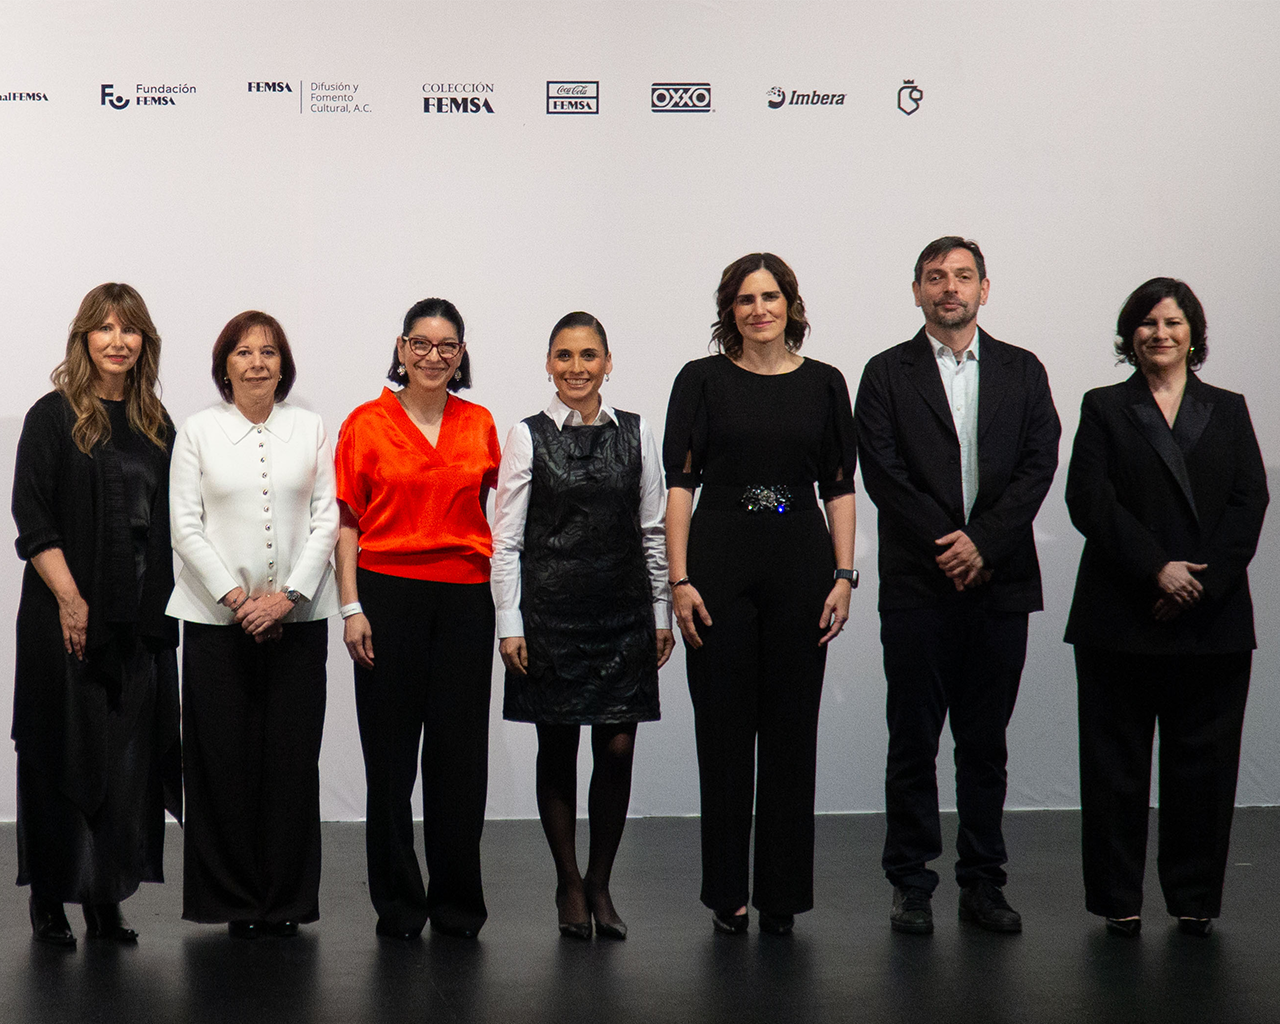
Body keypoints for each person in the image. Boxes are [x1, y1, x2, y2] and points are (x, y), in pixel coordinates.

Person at [854, 236, 1060, 935]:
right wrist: (951, 544)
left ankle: (983, 882)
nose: (950, 288)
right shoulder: (886, 373)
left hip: (1000, 584)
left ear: (984, 289)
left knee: (984, 743)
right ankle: (911, 883)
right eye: (936, 277)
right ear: (917, 290)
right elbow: (883, 473)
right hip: (919, 583)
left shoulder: (1023, 370)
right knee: (912, 741)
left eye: (963, 276)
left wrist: (985, 542)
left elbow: (1038, 465)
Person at [1064, 278, 1267, 939]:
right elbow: (1088, 500)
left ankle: (1194, 898)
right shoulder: (1104, 407)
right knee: (1114, 769)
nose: (1160, 333)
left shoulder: (1228, 409)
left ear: (1193, 334)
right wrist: (1157, 568)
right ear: (1130, 335)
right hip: (1120, 614)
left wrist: (1198, 584)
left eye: (1173, 322)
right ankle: (1118, 899)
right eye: (1147, 323)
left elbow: (1250, 501)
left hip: (1212, 617)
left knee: (1203, 769)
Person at [664, 253, 857, 937]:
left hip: (801, 560)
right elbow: (679, 486)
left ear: (790, 306)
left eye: (770, 297)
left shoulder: (826, 383)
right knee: (722, 734)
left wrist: (844, 575)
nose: (759, 310)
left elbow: (840, 487)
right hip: (718, 559)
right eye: (745, 299)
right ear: (730, 311)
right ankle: (727, 892)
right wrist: (679, 581)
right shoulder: (700, 379)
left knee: (791, 734)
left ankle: (782, 894)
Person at [492, 312, 674, 940]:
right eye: (565, 356)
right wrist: (509, 623)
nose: (577, 368)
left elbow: (653, 532)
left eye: (589, 355)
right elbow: (506, 540)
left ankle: (600, 881)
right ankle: (568, 883)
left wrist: (660, 613)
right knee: (559, 746)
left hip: (623, 613)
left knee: (618, 749)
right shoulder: (526, 435)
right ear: (549, 364)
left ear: (608, 362)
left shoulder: (639, 431)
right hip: (550, 615)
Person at [11, 283, 181, 947]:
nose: (117, 340)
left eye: (129, 329)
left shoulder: (156, 424)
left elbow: (169, 522)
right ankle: (51, 900)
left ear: (144, 342)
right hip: (62, 614)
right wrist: (71, 599)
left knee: (125, 761)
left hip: (136, 619)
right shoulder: (52, 416)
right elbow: (31, 516)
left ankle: (105, 897)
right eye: (104, 328)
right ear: (84, 338)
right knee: (61, 753)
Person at [167, 311, 339, 939]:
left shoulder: (310, 428)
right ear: (225, 365)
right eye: (243, 352)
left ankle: (285, 901)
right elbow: (184, 526)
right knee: (221, 764)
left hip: (298, 620)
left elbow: (327, 518)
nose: (257, 363)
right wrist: (241, 601)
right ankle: (234, 900)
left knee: (291, 763)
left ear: (283, 365)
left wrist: (287, 597)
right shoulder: (198, 430)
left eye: (268, 352)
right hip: (216, 623)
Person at [335, 297, 501, 940]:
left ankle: (458, 906)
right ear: (401, 349)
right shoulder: (365, 424)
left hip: (464, 601)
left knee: (460, 761)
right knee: (390, 760)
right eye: (421, 344)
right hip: (386, 598)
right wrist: (351, 606)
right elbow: (346, 523)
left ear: (461, 355)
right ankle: (400, 905)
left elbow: (499, 517)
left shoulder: (480, 424)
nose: (434, 356)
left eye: (447, 346)